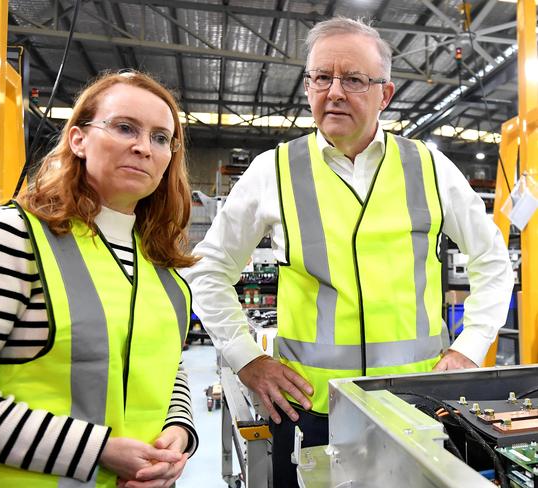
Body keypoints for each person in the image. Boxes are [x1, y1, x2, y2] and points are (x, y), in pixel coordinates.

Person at [182, 17, 514, 487]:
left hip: (417, 406)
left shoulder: (428, 167)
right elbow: (208, 270)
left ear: (386, 95)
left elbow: (493, 262)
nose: (334, 91)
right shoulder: (271, 171)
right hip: (309, 412)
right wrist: (246, 358)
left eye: (354, 79)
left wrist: (469, 349)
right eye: (321, 77)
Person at [0, 70, 199, 488]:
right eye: (124, 127)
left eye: (160, 138)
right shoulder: (12, 238)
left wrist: (179, 434)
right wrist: (97, 451)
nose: (142, 147)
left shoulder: (160, 266)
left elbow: (169, 368)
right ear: (78, 140)